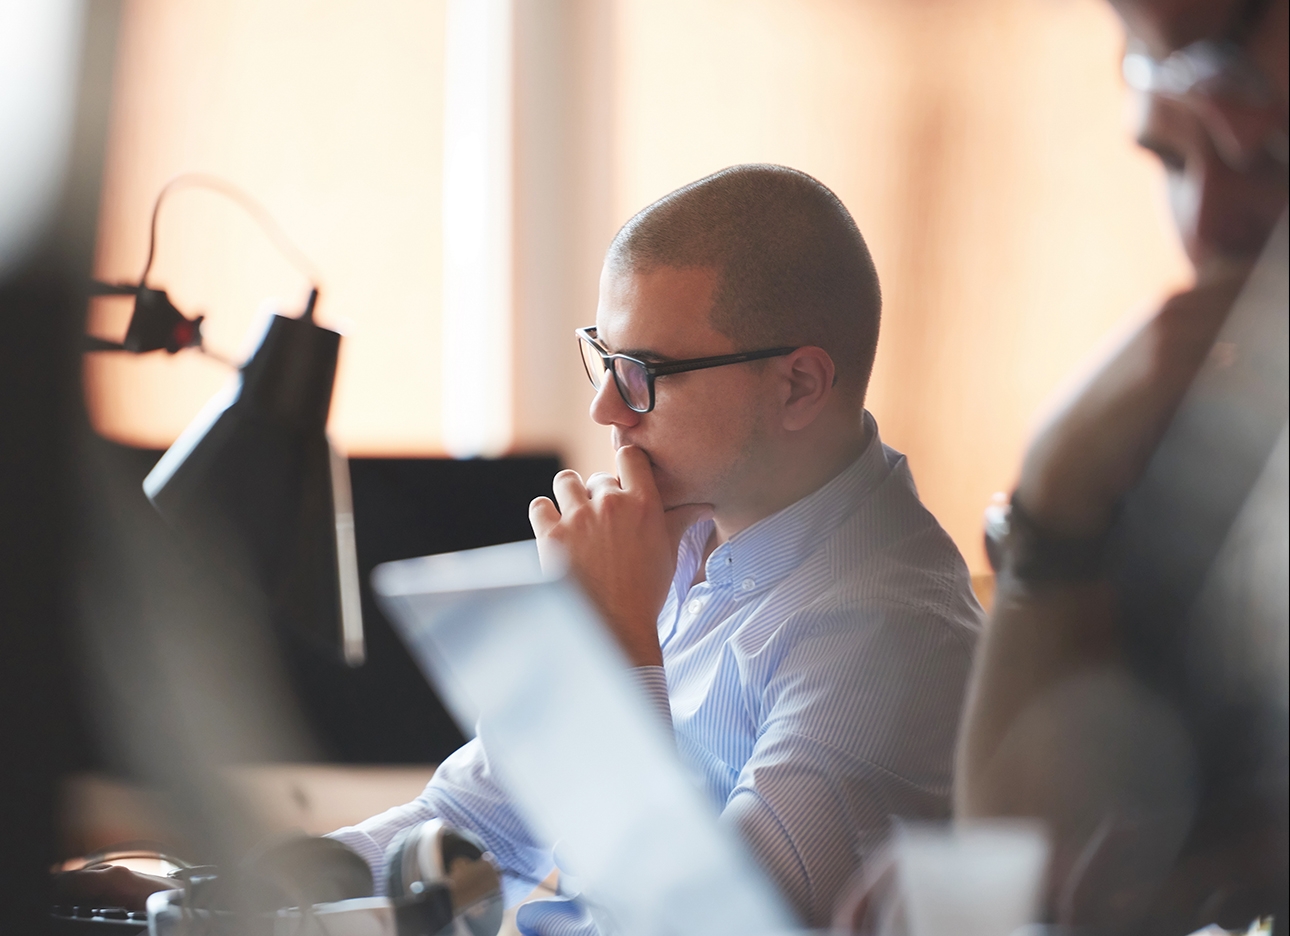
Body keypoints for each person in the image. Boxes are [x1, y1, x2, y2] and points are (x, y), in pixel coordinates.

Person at [328, 165, 982, 934]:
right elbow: (478, 817)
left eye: (643, 373)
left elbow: (702, 926)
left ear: (799, 386)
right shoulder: (671, 535)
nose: (606, 408)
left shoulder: (891, 638)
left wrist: (615, 644)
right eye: (604, 359)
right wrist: (248, 883)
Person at [956, 0, 1288, 930]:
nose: (1207, 226)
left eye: (1272, 158)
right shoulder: (1219, 455)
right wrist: (1054, 499)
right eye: (1171, 161)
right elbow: (1028, 866)